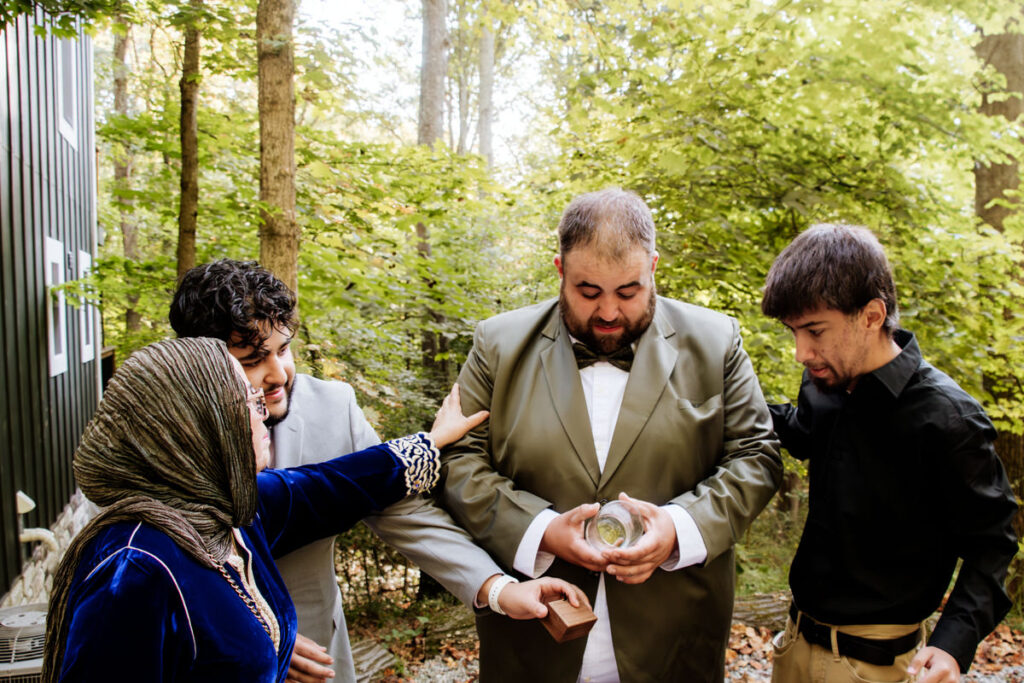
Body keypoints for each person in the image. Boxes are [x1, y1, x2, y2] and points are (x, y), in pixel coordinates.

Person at [42, 337, 585, 682]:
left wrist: (432, 441)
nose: (264, 413)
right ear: (197, 431)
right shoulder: (133, 572)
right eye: (248, 403)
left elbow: (329, 486)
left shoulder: (226, 512)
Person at [170, 259, 579, 683]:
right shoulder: (157, 438)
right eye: (254, 359)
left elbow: (403, 513)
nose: (279, 374)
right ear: (202, 362)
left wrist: (499, 589)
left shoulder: (332, 407)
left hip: (321, 658)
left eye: (284, 349)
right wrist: (251, 638)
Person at [439, 187, 784, 682]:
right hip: (531, 642)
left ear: (653, 267)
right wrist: (539, 531)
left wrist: (678, 529)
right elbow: (455, 459)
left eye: (628, 291)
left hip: (675, 642)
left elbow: (757, 456)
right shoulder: (497, 344)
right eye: (587, 291)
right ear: (559, 270)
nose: (607, 313)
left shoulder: (717, 341)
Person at [761, 223, 1019, 683]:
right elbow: (803, 432)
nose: (801, 351)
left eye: (815, 331)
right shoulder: (826, 381)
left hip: (878, 667)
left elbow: (992, 542)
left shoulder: (948, 418)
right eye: (793, 332)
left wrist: (953, 643)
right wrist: (723, 403)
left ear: (872, 315)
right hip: (794, 646)